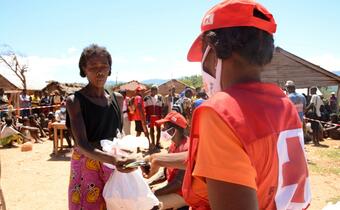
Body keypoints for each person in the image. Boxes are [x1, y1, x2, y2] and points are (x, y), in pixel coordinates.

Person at [146, 1, 311, 209]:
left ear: (213, 51)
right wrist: (159, 159)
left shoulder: (221, 112)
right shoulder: (281, 103)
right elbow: (224, 158)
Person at [65, 44, 136, 210]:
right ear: (84, 70)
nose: (100, 72)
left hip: (113, 165)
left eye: (104, 66)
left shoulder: (118, 98)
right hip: (87, 165)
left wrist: (130, 156)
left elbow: (119, 135)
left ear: (110, 69)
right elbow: (82, 144)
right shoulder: (75, 101)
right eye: (93, 67)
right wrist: (113, 159)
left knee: (116, 204)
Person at [144, 111, 189, 210]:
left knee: (149, 204)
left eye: (165, 127)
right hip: (175, 190)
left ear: (174, 130)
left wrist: (155, 192)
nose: (162, 130)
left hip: (183, 194)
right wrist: (149, 183)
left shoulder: (187, 148)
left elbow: (179, 182)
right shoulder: (173, 145)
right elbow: (166, 172)